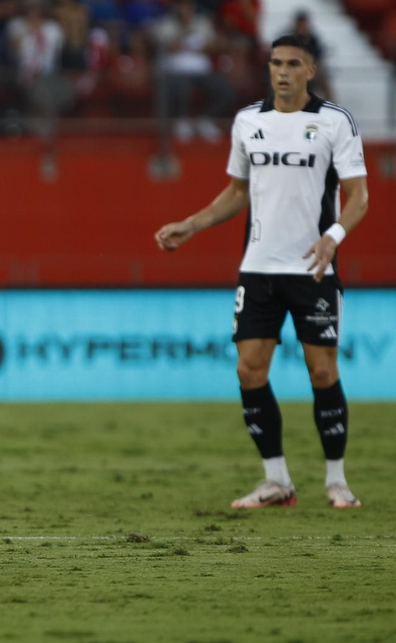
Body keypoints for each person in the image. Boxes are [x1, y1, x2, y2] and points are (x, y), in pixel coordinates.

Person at [154, 34, 369, 510]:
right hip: (257, 269)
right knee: (249, 370)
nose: (283, 72)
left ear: (310, 70)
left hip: (312, 270)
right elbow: (237, 192)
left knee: (321, 371)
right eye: (276, 63)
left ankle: (336, 481)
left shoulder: (334, 122)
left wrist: (333, 237)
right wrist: (191, 224)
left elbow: (359, 197)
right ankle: (277, 481)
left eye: (294, 63)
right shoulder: (249, 121)